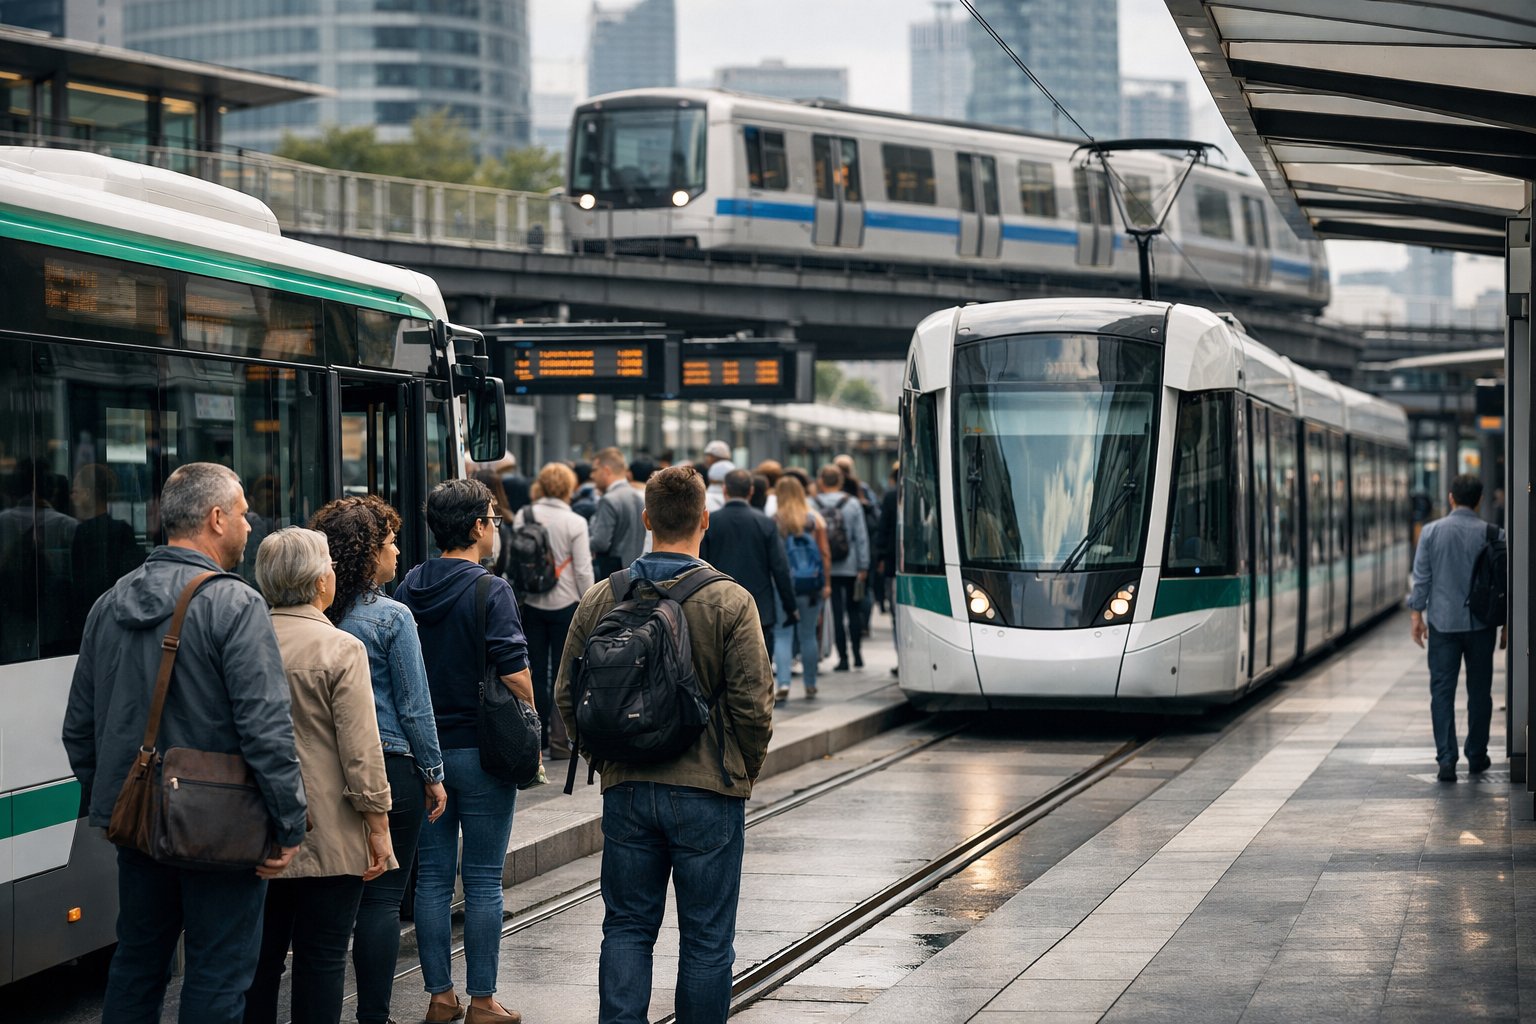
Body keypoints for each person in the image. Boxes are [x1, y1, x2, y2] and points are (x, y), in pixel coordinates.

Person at [61, 462, 307, 1024]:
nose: (250, 526)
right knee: (218, 977)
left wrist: (118, 799)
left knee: (137, 965)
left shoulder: (108, 603)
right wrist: (289, 824)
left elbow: (79, 728)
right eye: (243, 514)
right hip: (222, 829)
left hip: (137, 827)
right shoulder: (236, 604)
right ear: (216, 518)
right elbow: (267, 729)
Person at [555, 465, 774, 1024]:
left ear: (647, 519)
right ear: (705, 519)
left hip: (627, 788)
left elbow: (566, 694)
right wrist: (740, 768)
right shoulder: (731, 601)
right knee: (706, 939)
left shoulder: (602, 597)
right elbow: (753, 704)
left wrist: (606, 758)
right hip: (709, 789)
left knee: (627, 928)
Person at [246, 528, 396, 1024]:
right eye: (329, 564)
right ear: (317, 582)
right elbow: (361, 750)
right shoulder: (340, 648)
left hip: (255, 828)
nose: (333, 571)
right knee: (323, 958)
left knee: (258, 962)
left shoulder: (242, 644)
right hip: (331, 831)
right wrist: (379, 826)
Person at [398, 478, 534, 1024]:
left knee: (431, 879)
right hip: (482, 753)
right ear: (477, 526)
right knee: (481, 880)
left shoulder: (409, 586)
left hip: (424, 755)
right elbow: (516, 673)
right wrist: (530, 709)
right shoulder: (490, 590)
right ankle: (482, 1001)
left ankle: (439, 997)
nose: (494, 528)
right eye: (493, 520)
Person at [309, 495, 448, 1024]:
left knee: (330, 905)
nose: (397, 553)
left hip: (326, 770)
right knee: (382, 899)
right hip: (389, 765)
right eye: (389, 543)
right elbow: (414, 706)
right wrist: (433, 774)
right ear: (367, 553)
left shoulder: (316, 613)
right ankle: (374, 1016)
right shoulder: (391, 616)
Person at [1408, 473, 1506, 782]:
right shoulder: (1495, 534)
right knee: (1480, 692)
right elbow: (1504, 584)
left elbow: (1421, 579)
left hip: (1443, 625)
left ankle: (1447, 760)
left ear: (1451, 497)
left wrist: (1416, 616)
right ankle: (1476, 755)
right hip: (1481, 626)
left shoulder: (1431, 532)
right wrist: (1506, 624)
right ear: (1479, 500)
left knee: (1442, 692)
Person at [513, 462, 595, 758]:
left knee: (533, 670)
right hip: (566, 603)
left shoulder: (524, 515)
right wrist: (590, 602)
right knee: (565, 672)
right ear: (568, 487)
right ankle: (561, 740)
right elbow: (583, 569)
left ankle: (537, 736)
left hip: (531, 601)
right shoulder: (575, 522)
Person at [701, 468, 797, 653]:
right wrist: (790, 605)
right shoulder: (766, 523)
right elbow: (780, 568)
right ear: (751, 491)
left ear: (725, 490)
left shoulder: (710, 523)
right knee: (760, 664)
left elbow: (702, 564)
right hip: (760, 607)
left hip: (719, 606)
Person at [772, 476, 832, 701]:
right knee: (808, 634)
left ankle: (783, 683)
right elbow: (825, 553)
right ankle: (810, 683)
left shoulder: (775, 520)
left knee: (782, 633)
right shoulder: (815, 520)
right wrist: (827, 583)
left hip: (783, 586)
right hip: (811, 585)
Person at [813, 464, 870, 671]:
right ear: (841, 481)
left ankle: (843, 658)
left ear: (821, 481)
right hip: (850, 565)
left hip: (826, 567)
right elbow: (861, 536)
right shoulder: (853, 503)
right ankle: (858, 655)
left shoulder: (813, 503)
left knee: (836, 613)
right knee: (853, 610)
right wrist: (863, 565)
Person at [589, 446, 646, 579]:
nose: (592, 475)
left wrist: (581, 541)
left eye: (595, 470)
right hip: (636, 571)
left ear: (606, 470)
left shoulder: (609, 500)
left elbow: (600, 543)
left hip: (612, 573)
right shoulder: (638, 497)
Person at [875, 462, 900, 674]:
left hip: (893, 563)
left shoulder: (891, 497)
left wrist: (880, 557)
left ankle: (901, 657)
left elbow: (882, 530)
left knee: (896, 614)